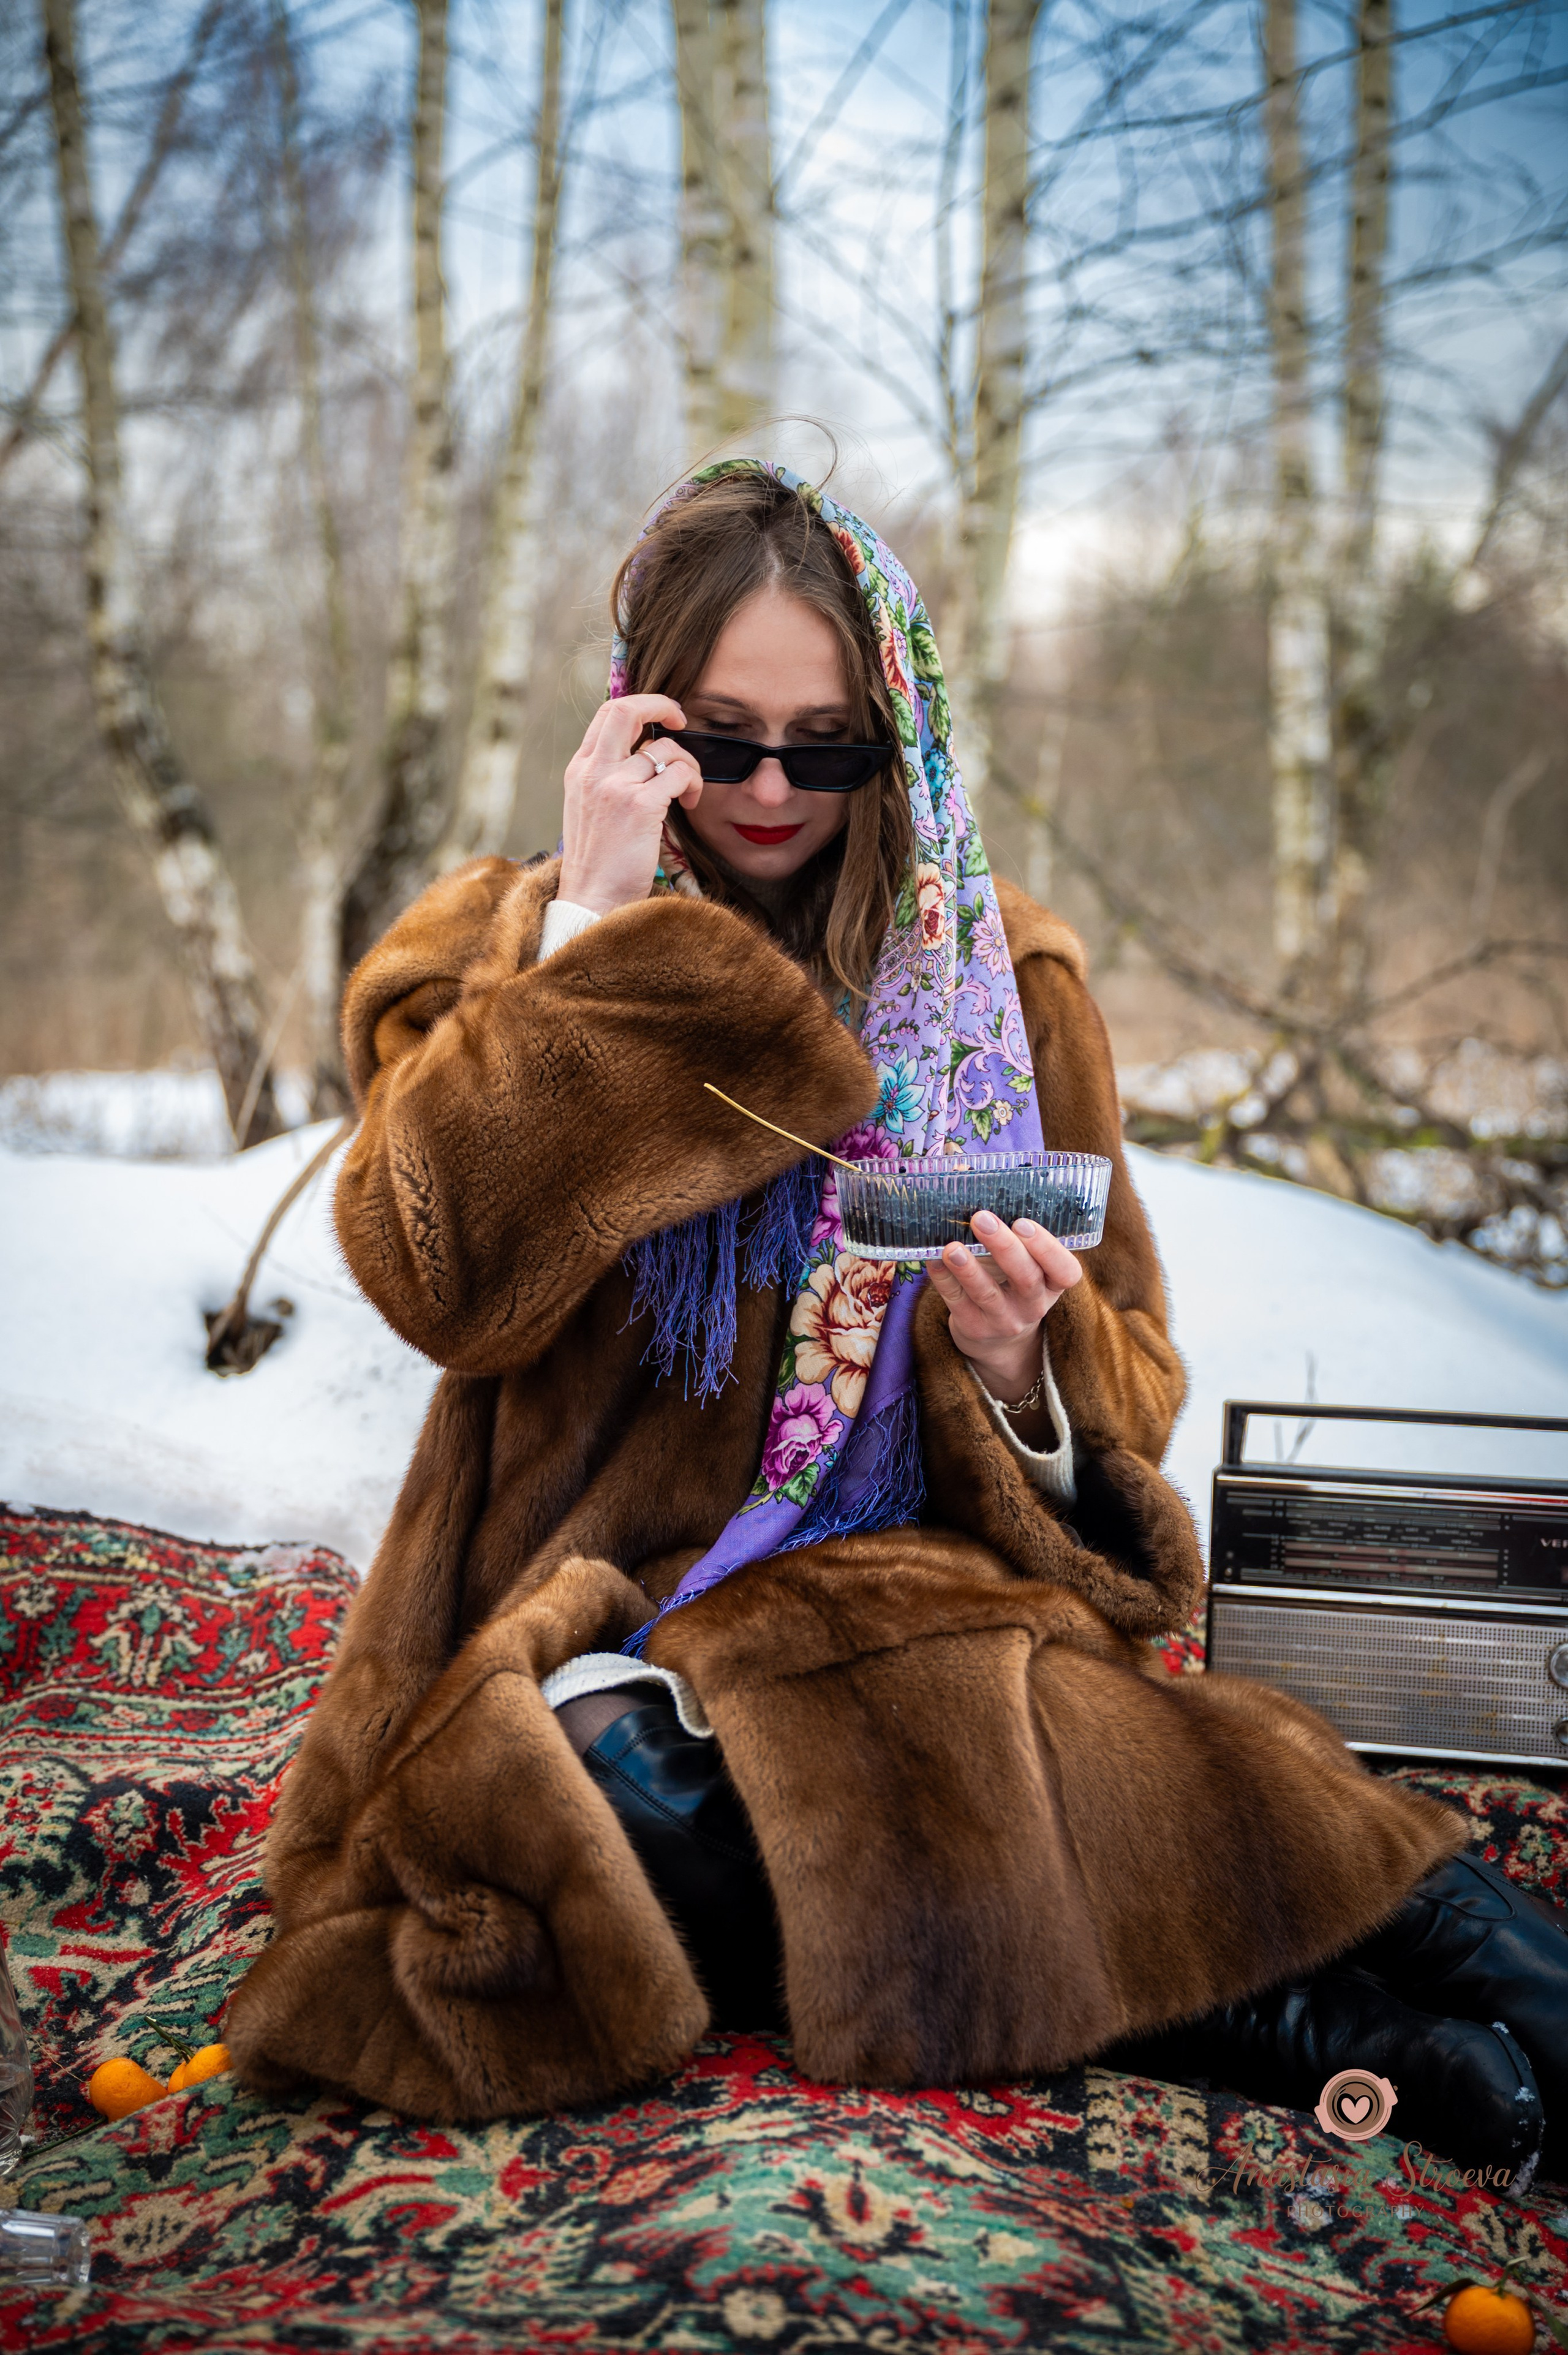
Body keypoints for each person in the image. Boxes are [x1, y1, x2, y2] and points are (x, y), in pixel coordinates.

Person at [227, 463, 1566, 2185]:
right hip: (604, 1626)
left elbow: (1133, 1377)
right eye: (723, 739)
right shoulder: (496, 949)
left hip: (912, 1605)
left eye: (830, 744)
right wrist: (589, 936)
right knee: (599, 1790)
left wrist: (1022, 1379)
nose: (775, 788)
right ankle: (1292, 2020)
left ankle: (1429, 1975)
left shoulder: (1005, 987)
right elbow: (442, 1281)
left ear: (899, 737)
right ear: (636, 723)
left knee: (1066, 1757)